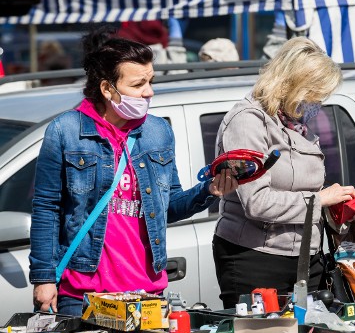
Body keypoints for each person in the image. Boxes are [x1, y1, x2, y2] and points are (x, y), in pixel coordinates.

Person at [29, 27, 237, 316]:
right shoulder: (65, 131)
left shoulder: (158, 131)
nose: (149, 91)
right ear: (106, 88)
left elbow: (169, 206)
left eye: (150, 81)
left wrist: (208, 191)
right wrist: (43, 277)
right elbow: (46, 208)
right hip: (82, 296)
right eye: (138, 84)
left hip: (147, 296)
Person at [213, 36, 355, 308]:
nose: (317, 103)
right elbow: (257, 202)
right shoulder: (247, 121)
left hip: (305, 257)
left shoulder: (296, 123)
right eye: (313, 94)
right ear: (291, 85)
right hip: (255, 257)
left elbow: (307, 188)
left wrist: (340, 206)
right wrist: (319, 201)